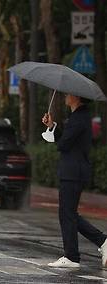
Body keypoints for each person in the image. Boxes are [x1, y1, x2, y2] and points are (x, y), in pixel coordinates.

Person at [42, 94, 107, 269]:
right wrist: (52, 126)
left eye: (68, 94)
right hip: (73, 170)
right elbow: (66, 139)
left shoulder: (79, 117)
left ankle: (72, 256)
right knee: (68, 213)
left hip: (73, 171)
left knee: (67, 213)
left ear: (76, 97)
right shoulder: (78, 116)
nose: (65, 96)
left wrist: (52, 132)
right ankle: (100, 242)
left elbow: (63, 144)